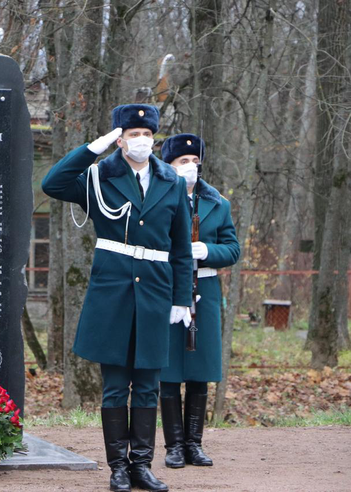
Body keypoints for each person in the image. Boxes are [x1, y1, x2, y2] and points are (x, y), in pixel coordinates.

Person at [42, 104, 193, 492]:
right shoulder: (98, 176)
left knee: (147, 384)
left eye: (147, 133)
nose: (141, 140)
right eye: (133, 132)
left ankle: (141, 465)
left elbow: (180, 247)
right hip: (113, 293)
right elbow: (53, 183)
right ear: (120, 137)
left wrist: (181, 298)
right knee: (114, 385)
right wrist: (94, 149)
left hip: (156, 291)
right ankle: (118, 468)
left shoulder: (172, 180)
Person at [158, 133, 240, 469]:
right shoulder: (158, 198)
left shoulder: (218, 203)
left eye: (194, 162)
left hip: (204, 292)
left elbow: (232, 249)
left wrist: (208, 251)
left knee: (199, 370)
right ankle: (173, 446)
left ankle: (194, 443)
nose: (190, 167)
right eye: (182, 162)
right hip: (167, 291)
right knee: (168, 371)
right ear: (169, 165)